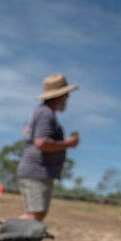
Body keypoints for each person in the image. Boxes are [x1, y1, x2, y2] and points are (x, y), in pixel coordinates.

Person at [16, 72, 80, 221]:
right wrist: (68, 143)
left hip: (34, 171)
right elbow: (41, 142)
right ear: (60, 95)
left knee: (36, 214)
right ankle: (5, 237)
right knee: (35, 216)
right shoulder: (46, 114)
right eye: (66, 94)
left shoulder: (41, 112)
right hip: (37, 172)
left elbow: (26, 130)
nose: (68, 98)